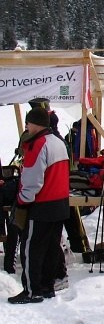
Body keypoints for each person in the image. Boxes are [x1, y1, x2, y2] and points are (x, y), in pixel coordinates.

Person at [7, 108, 70, 304]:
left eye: (28, 122)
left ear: (36, 123)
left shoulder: (39, 144)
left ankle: (32, 291)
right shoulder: (58, 142)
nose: (26, 126)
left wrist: (22, 201)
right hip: (60, 203)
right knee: (52, 248)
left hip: (42, 204)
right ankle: (47, 287)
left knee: (32, 249)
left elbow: (32, 180)